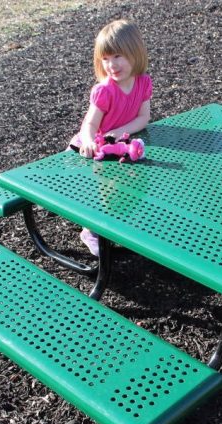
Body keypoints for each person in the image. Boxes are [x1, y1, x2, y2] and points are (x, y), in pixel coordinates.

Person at [71, 19, 152, 256]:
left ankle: (119, 222)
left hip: (116, 145)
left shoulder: (143, 82)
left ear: (134, 54)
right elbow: (90, 123)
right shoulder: (105, 90)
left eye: (118, 56)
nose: (111, 64)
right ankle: (90, 230)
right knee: (100, 191)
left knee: (126, 184)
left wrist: (119, 133)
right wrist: (88, 141)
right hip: (91, 147)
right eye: (105, 58)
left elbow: (143, 117)